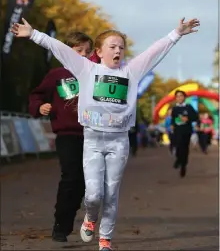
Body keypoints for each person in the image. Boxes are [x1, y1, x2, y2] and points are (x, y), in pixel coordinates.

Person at [11, 16, 200, 251]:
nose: (117, 50)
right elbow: (57, 47)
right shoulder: (85, 68)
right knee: (93, 195)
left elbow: (154, 52)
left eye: (121, 47)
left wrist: (176, 33)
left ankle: (105, 240)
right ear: (99, 52)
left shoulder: (132, 71)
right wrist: (33, 34)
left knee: (111, 193)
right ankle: (90, 217)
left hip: (118, 141)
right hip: (92, 140)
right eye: (112, 47)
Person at [29, 31, 93, 242]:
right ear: (66, 52)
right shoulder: (57, 75)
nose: (83, 55)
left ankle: (73, 217)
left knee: (86, 183)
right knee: (71, 177)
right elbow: (36, 94)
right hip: (67, 135)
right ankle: (61, 225)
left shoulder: (95, 74)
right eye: (78, 51)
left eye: (87, 51)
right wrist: (40, 106)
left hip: (93, 135)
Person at [171, 90, 199, 178]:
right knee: (178, 146)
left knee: (185, 149)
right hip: (177, 131)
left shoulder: (188, 107)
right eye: (177, 96)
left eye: (181, 96)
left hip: (186, 131)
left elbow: (195, 117)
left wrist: (187, 118)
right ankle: (178, 159)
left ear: (184, 97)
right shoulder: (174, 108)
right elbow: (173, 118)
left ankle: (183, 166)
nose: (179, 98)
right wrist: (172, 125)